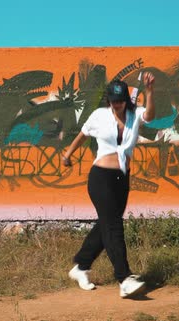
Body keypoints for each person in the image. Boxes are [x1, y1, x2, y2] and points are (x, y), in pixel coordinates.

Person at [62, 72, 155, 298]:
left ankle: (81, 266)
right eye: (114, 101)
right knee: (113, 226)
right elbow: (83, 134)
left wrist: (150, 91)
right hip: (100, 177)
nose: (118, 105)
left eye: (121, 100)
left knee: (106, 225)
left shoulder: (135, 115)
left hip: (122, 178)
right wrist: (68, 154)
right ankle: (124, 278)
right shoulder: (99, 115)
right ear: (108, 101)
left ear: (127, 99)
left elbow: (150, 116)